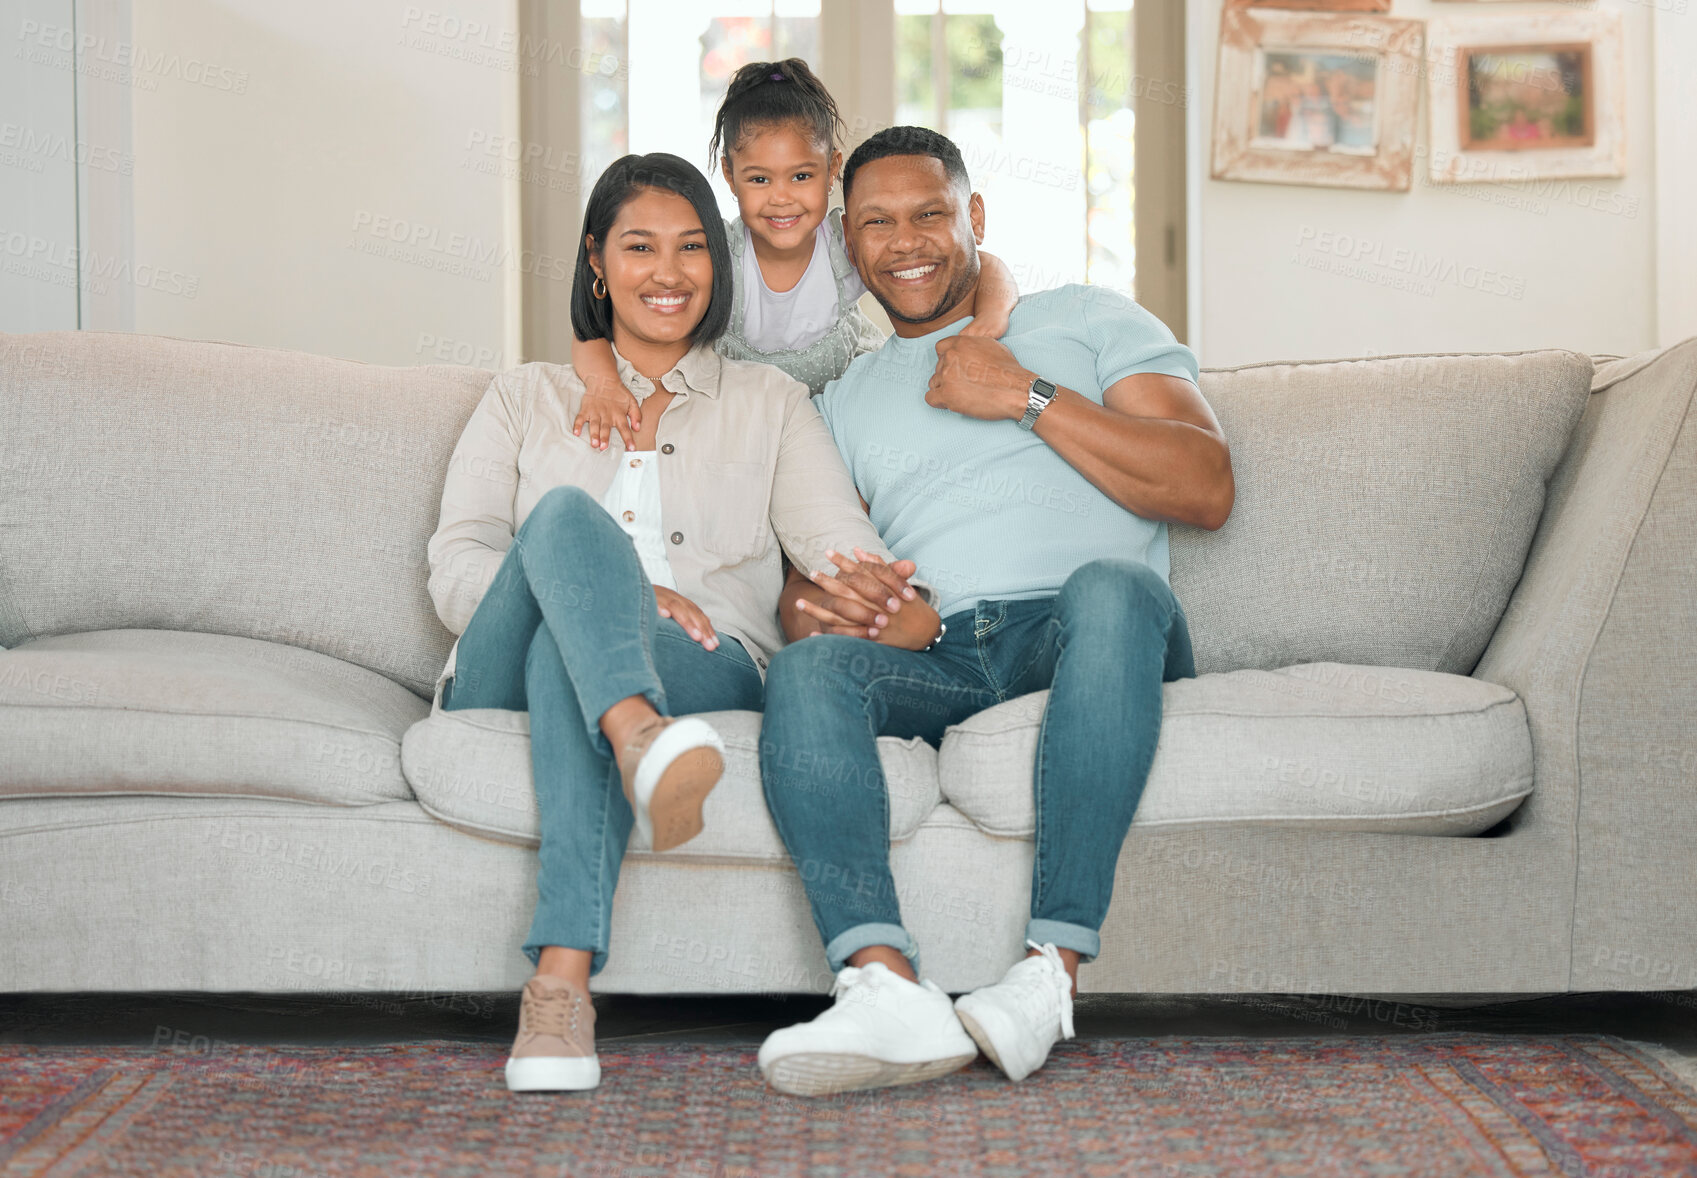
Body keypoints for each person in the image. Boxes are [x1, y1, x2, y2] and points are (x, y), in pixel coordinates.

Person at [424, 151, 939, 1095]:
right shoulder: (522, 398)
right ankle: (639, 734)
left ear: (721, 264)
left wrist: (870, 586)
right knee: (567, 524)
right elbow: (456, 572)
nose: (669, 272)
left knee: (568, 654)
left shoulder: (770, 405)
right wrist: (611, 587)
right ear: (595, 262)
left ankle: (560, 986)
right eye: (639, 247)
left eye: (694, 246)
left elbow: (834, 539)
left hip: (699, 658)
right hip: (494, 663)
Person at [752, 126, 1236, 1096]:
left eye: (928, 212)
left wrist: (1025, 394)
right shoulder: (841, 402)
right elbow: (794, 593)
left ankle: (1046, 975)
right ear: (849, 246)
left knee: (1110, 583)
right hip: (942, 650)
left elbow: (1203, 482)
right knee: (807, 671)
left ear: (972, 217)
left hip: (1085, 627)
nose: (906, 241)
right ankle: (882, 983)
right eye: (876, 224)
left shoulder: (1084, 318)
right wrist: (833, 608)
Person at [567, 57, 1020, 442]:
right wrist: (604, 384)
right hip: (744, 426)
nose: (781, 197)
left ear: (832, 168)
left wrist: (992, 319)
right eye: (759, 179)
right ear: (729, 175)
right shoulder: (718, 253)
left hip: (835, 426)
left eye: (801, 176)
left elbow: (988, 268)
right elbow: (595, 327)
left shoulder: (846, 245)